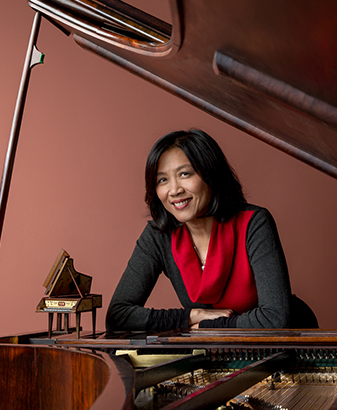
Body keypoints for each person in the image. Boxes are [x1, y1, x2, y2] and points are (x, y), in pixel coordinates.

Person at [105, 129, 317, 331]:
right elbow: (118, 316)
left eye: (185, 174)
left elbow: (275, 319)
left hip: (287, 347)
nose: (174, 190)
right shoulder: (158, 235)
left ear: (211, 175)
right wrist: (191, 317)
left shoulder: (254, 223)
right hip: (220, 350)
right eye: (162, 180)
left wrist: (207, 328)